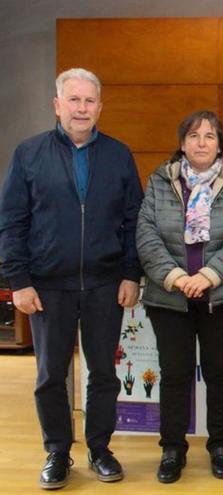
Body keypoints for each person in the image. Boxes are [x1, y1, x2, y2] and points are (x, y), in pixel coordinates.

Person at [0, 68, 142, 489]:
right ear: (57, 105)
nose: (82, 108)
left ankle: (100, 449)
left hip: (104, 283)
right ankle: (57, 452)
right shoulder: (29, 154)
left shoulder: (119, 155)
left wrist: (131, 273)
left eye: (89, 101)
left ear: (100, 106)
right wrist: (18, 280)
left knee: (103, 373)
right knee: (50, 375)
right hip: (47, 286)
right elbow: (11, 221)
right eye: (74, 100)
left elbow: (133, 221)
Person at [136, 110, 223, 483]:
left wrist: (207, 276)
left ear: (220, 143)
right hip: (169, 295)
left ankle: (220, 445)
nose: (201, 142)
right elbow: (146, 233)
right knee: (175, 374)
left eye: (209, 136)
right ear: (182, 143)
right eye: (193, 135)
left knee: (221, 372)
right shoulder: (160, 180)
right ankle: (173, 448)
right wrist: (175, 277)